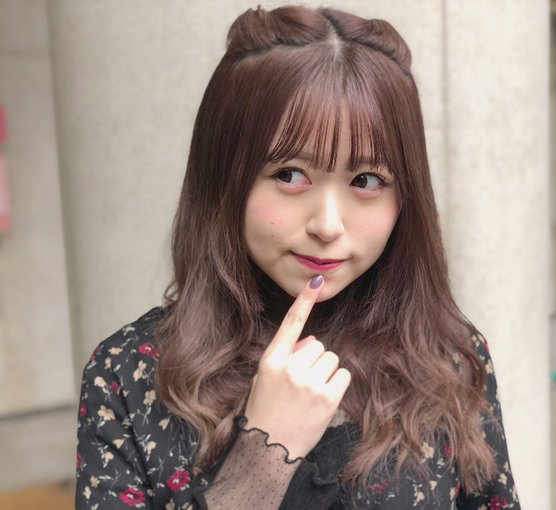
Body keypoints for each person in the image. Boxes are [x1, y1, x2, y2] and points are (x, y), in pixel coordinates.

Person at [75, 5, 521, 509]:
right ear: (222, 178)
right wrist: (265, 451)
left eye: (366, 180)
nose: (327, 225)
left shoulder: (447, 358)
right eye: (289, 175)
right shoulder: (128, 374)